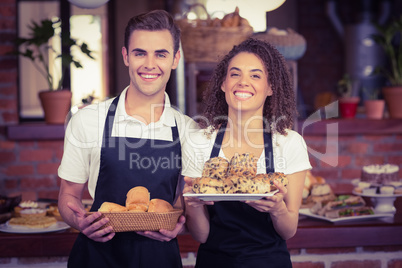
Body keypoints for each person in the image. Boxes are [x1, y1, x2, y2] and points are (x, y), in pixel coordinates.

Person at [58, 10, 195, 268]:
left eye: (161, 54)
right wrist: (79, 222)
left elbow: (184, 201)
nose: (149, 64)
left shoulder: (188, 130)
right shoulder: (88, 121)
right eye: (140, 53)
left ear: (175, 59)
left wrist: (178, 224)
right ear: (126, 56)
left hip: (159, 258)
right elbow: (68, 194)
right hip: (96, 257)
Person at [182, 38, 312, 267]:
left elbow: (288, 230)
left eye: (255, 75)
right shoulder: (199, 142)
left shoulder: (289, 143)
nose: (243, 82)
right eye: (235, 74)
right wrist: (193, 205)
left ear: (270, 87)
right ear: (223, 83)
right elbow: (201, 236)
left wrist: (278, 209)